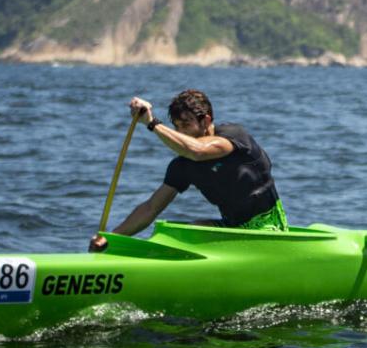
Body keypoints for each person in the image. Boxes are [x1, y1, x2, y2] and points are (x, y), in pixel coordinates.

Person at [89, 89, 286, 251]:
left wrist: (152, 123)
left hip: (268, 230)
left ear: (206, 121)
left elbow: (198, 151)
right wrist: (111, 238)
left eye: (186, 125)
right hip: (231, 228)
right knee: (184, 232)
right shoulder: (183, 166)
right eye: (176, 126)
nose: (180, 132)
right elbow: (151, 208)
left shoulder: (235, 137)